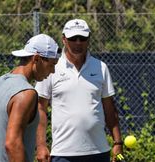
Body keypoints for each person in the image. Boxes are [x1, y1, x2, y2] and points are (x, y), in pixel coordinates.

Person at [35, 19, 123, 162]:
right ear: (64, 39)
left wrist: (118, 142)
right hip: (63, 154)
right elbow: (40, 108)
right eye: (73, 38)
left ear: (88, 39)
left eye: (82, 38)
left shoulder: (101, 67)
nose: (78, 42)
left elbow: (109, 108)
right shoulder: (52, 67)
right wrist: (41, 145)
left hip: (99, 152)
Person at [0, 34, 61, 162]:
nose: (52, 71)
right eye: (52, 64)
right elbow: (12, 144)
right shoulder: (26, 93)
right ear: (36, 59)